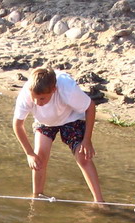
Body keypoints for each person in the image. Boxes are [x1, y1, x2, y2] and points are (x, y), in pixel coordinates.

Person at [12, 66, 104, 202]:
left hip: (71, 117)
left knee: (82, 155)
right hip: (45, 120)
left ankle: (99, 201)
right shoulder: (26, 94)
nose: (38, 103)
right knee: (39, 158)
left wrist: (87, 140)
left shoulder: (67, 88)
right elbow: (18, 125)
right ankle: (37, 197)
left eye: (42, 99)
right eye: (35, 98)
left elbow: (90, 107)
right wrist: (29, 153)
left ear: (54, 90)